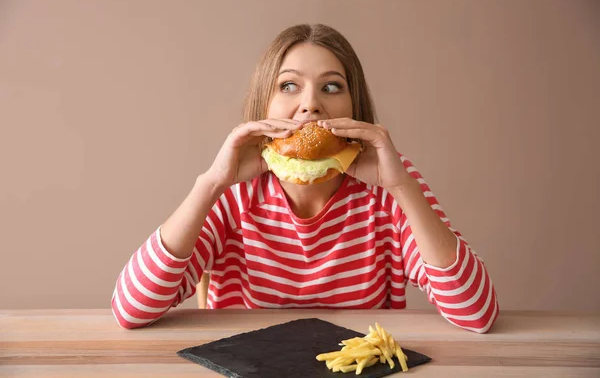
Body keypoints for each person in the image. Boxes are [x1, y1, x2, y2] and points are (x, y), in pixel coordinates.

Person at [111, 23, 499, 333]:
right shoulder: (232, 191)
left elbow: (477, 314)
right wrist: (211, 183)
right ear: (264, 105)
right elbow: (131, 310)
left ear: (354, 107)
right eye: (289, 86)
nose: (310, 103)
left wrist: (401, 188)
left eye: (331, 87)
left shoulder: (389, 186)